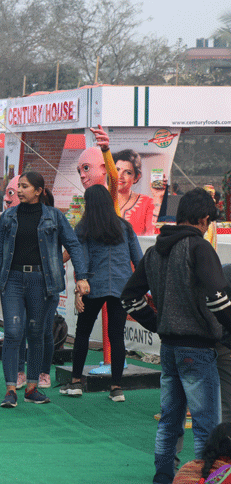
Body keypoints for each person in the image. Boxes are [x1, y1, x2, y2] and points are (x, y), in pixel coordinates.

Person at [121, 188, 231, 484]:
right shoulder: (199, 247)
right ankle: (201, 480)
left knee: (170, 421)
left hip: (168, 346)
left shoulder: (154, 250)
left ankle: (163, 477)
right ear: (204, 218)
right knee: (207, 426)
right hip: (198, 347)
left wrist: (158, 323)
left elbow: (129, 297)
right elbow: (218, 299)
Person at [0, 171, 90, 408]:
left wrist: (82, 277)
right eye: (17, 187)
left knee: (36, 334)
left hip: (42, 282)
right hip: (12, 279)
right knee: (13, 332)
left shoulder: (55, 216)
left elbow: (73, 244)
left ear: (39, 190)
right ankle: (11, 389)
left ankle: (32, 388)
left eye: (24, 187)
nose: (19, 191)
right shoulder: (8, 216)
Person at [59, 185, 143, 401]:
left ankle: (76, 382)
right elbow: (138, 259)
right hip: (121, 287)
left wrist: (80, 285)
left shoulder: (84, 228)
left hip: (92, 286)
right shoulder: (124, 227)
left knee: (83, 334)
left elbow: (81, 258)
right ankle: (117, 387)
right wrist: (139, 287)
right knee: (117, 336)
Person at [114, 148, 164, 236]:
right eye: (117, 170)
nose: (120, 176)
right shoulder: (101, 200)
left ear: (136, 177)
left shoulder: (147, 203)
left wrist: (158, 198)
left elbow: (153, 236)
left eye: (128, 172)